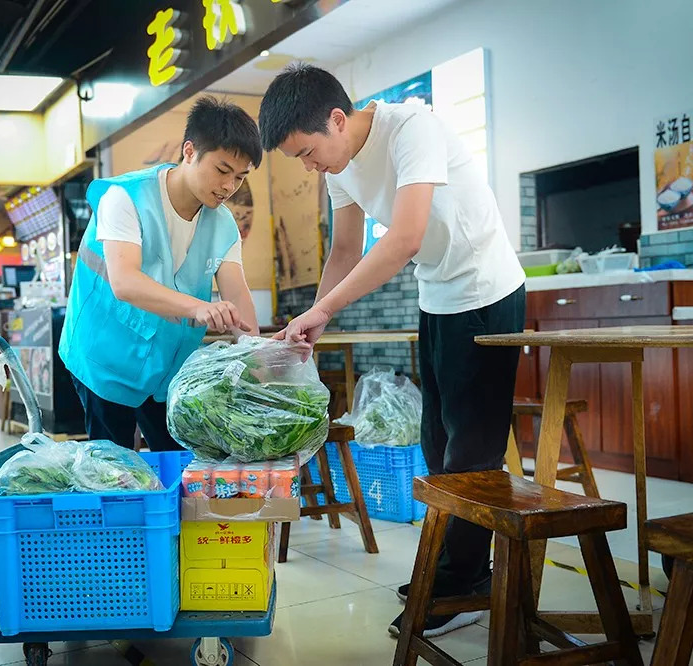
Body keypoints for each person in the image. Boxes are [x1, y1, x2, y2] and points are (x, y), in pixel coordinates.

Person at [259, 64, 526, 638]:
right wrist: (313, 321)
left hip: (484, 290)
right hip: (438, 298)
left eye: (308, 153)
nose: (308, 166)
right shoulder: (338, 162)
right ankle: (461, 572)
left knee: (470, 453)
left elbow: (404, 238)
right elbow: (346, 249)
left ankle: (463, 584)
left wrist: (324, 309)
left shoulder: (413, 129)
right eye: (299, 160)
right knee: (436, 443)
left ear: (337, 118)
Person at [59, 96, 262, 451]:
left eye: (240, 178)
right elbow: (124, 282)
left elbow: (237, 293)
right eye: (222, 170)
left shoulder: (223, 223)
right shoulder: (125, 198)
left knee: (179, 467)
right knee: (115, 471)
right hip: (104, 358)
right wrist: (196, 308)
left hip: (166, 371)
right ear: (189, 151)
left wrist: (258, 355)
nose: (230, 186)